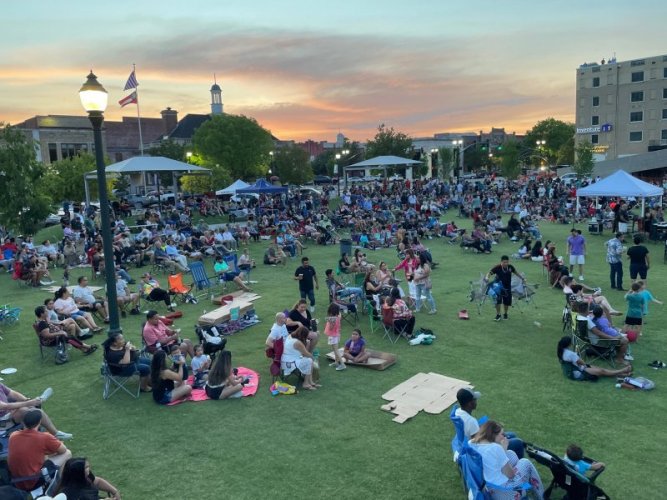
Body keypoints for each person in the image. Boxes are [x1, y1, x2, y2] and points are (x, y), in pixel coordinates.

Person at [469, 421, 544, 498]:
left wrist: (503, 452)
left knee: (511, 454)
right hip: (504, 493)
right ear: (493, 434)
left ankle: (526, 487)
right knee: (525, 462)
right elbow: (511, 475)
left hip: (488, 487)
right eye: (502, 434)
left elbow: (493, 460)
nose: (504, 437)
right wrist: (503, 450)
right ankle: (541, 495)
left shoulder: (471, 443)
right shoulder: (495, 448)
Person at [8, 409, 72, 491]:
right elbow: (63, 450)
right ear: (39, 422)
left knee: (45, 454)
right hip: (34, 480)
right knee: (67, 453)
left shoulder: (13, 435)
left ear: (23, 422)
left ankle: (56, 479)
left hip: (17, 481)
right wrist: (56, 444)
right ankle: (59, 483)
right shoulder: (44, 437)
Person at [455, 388, 524, 458]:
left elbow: (473, 432)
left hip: (466, 445)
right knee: (518, 442)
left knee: (511, 435)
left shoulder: (458, 412)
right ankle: (514, 465)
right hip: (482, 452)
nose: (476, 401)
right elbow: (479, 443)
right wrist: (496, 434)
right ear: (469, 404)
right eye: (475, 400)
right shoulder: (471, 421)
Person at [0, 385, 71, 440]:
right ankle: (55, 434)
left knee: (31, 408)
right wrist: (29, 403)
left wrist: (26, 400)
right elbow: (5, 406)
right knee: (24, 410)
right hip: (2, 423)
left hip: (7, 415)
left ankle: (54, 434)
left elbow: (12, 393)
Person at [557, 336, 632, 379]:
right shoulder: (571, 354)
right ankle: (622, 371)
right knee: (602, 371)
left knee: (600, 369)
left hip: (571, 371)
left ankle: (622, 374)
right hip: (578, 372)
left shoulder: (562, 352)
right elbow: (582, 363)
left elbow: (576, 362)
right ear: (569, 344)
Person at [55, 457, 121, 499]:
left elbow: (97, 481)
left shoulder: (86, 477)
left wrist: (114, 491)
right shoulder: (73, 494)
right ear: (78, 473)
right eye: (86, 467)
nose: (88, 469)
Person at [486, 255, 524, 321]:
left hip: (507, 287)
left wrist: (522, 278)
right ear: (501, 262)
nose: (506, 264)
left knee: (507, 302)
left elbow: (516, 272)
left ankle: (505, 314)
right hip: (498, 287)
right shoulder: (497, 267)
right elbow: (489, 273)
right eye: (504, 262)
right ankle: (498, 315)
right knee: (498, 301)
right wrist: (487, 277)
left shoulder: (510, 267)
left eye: (507, 262)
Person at [324, 302, 345, 371]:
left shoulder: (332, 319)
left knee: (336, 350)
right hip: (336, 335)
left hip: (333, 336)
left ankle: (342, 364)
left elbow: (331, 328)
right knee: (335, 350)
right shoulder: (338, 316)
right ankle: (336, 362)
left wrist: (329, 322)